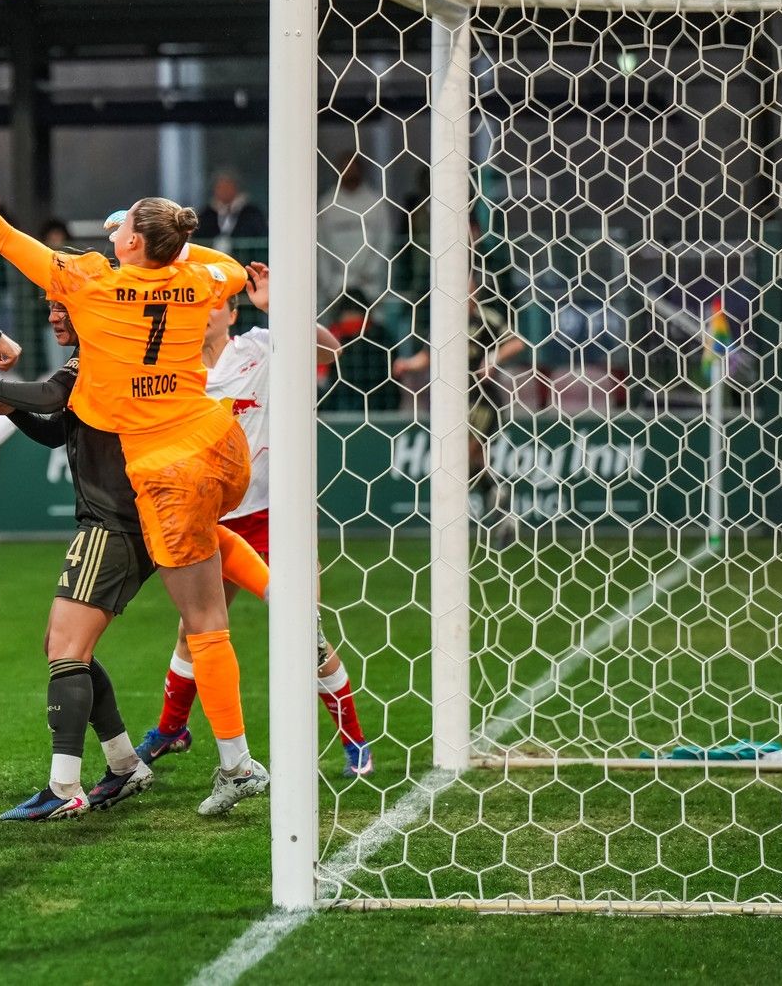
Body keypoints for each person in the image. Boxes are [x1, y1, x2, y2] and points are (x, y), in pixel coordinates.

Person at [0, 133, 271, 817]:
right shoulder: (201, 281)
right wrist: (174, 249)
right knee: (204, 613)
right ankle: (213, 745)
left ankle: (232, 764)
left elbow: (3, 237)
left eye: (122, 229)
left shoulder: (91, 282)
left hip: (164, 471)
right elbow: (227, 268)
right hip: (218, 448)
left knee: (197, 623)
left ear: (134, 244)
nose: (110, 235)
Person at [137, 263, 374, 777]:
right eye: (196, 303)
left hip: (276, 517)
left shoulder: (262, 347)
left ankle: (355, 741)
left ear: (232, 313)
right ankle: (171, 730)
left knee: (306, 632)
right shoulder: (172, 367)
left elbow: (330, 352)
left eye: (215, 303)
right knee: (192, 631)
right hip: (213, 518)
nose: (205, 311)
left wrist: (279, 308)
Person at [0, 286, 163, 820]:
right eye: (50, 306)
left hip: (115, 523)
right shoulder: (103, 355)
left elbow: (47, 395)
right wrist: (11, 410)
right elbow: (58, 426)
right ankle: (125, 764)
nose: (52, 316)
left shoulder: (100, 353)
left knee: (65, 647)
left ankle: (65, 788)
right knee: (65, 646)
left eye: (61, 306)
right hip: (117, 522)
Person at [392, 288, 527, 542]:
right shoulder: (444, 322)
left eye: (469, 288)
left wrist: (493, 357)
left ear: (475, 292)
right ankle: (499, 503)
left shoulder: (487, 318)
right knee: (470, 462)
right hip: (454, 402)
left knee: (465, 455)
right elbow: (427, 356)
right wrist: (407, 364)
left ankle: (486, 506)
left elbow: (517, 342)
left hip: (483, 399)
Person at [318, 157, 391, 316]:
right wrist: (328, 281)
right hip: (336, 284)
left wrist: (371, 272)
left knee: (371, 324)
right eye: (345, 169)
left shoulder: (376, 202)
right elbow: (321, 247)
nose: (349, 173)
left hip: (369, 283)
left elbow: (383, 242)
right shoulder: (326, 203)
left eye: (353, 169)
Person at [197, 169, 268, 254]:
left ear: (236, 188)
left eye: (228, 187)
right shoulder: (207, 214)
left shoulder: (251, 213)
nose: (224, 191)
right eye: (220, 187)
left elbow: (259, 236)